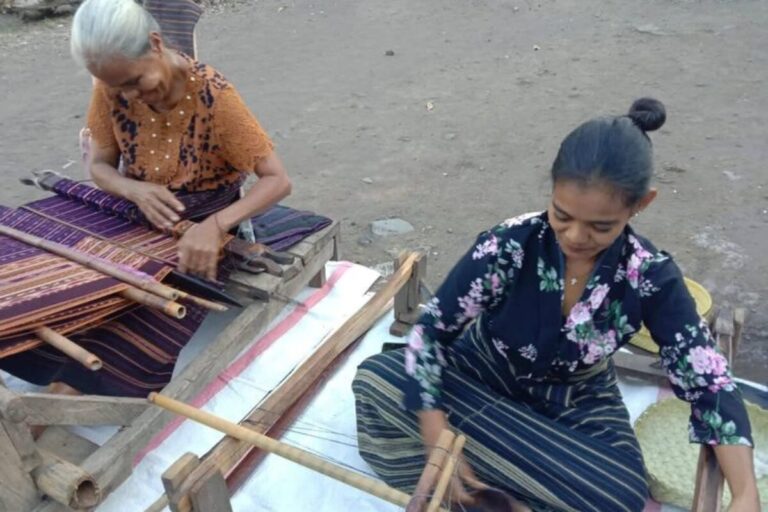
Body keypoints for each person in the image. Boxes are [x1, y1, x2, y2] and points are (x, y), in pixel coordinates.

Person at [353, 99, 760, 512]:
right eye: (561, 215)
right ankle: (513, 484)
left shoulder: (649, 276)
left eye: (601, 226)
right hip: (482, 368)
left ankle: (484, 485)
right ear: (552, 190)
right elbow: (431, 331)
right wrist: (438, 431)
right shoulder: (510, 245)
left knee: (618, 498)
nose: (575, 236)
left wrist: (745, 493)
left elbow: (708, 381)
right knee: (376, 380)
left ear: (641, 203)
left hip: (575, 397)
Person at [0, 0, 291, 398]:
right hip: (132, 209)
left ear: (156, 44)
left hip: (201, 214)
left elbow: (277, 181)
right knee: (50, 276)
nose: (130, 96)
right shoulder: (111, 87)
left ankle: (68, 391)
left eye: (136, 82)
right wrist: (133, 188)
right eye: (118, 87)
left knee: (135, 325)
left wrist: (216, 226)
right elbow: (100, 166)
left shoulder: (213, 96)